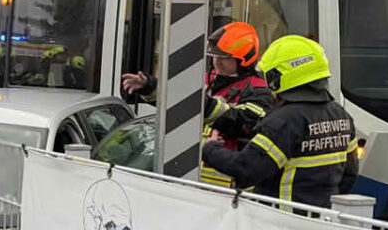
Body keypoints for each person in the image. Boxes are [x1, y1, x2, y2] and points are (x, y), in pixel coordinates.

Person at [201, 35, 357, 210]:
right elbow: (349, 175)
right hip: (321, 220)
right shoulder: (342, 115)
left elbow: (246, 170)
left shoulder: (284, 121)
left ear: (280, 76)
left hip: (281, 223)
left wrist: (209, 149)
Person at [123, 22, 275, 187]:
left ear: (244, 59)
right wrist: (149, 86)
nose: (217, 62)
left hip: (231, 190)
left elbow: (244, 122)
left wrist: (202, 105)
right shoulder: (204, 79)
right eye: (215, 56)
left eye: (224, 57)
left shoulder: (259, 90)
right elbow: (176, 101)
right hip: (191, 180)